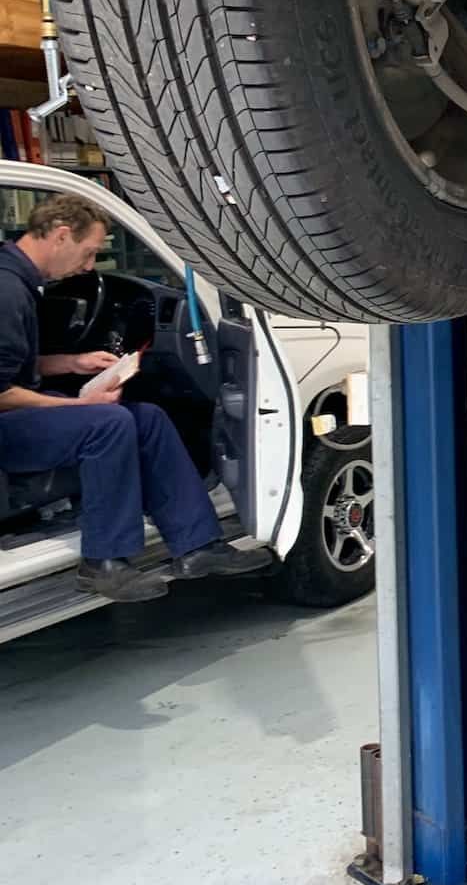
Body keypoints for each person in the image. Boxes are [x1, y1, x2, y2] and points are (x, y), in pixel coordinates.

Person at [0, 193, 272, 601]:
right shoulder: (6, 290)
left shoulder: (23, 282)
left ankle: (197, 546)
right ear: (59, 236)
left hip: (19, 409)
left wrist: (74, 363)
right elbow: (2, 392)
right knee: (108, 424)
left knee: (148, 418)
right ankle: (103, 563)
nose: (89, 267)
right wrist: (77, 407)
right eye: (88, 253)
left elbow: (16, 364)